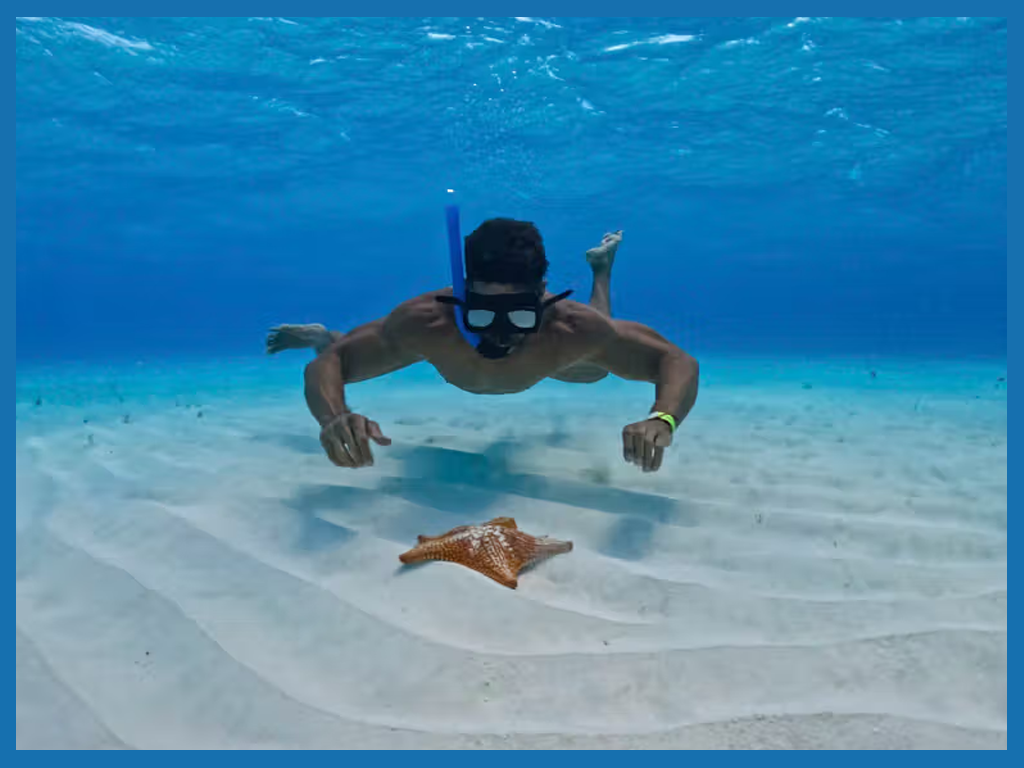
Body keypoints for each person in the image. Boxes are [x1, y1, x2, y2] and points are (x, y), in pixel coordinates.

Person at [266, 219, 698, 473]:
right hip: (444, 348)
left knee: (597, 365)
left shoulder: (569, 328)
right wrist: (334, 417)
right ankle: (322, 331)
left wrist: (664, 418)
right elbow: (333, 362)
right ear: (462, 293)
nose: (500, 333)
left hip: (554, 356)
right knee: (346, 353)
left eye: (519, 316)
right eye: (482, 315)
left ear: (542, 296)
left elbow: (675, 360)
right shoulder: (427, 321)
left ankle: (601, 270)